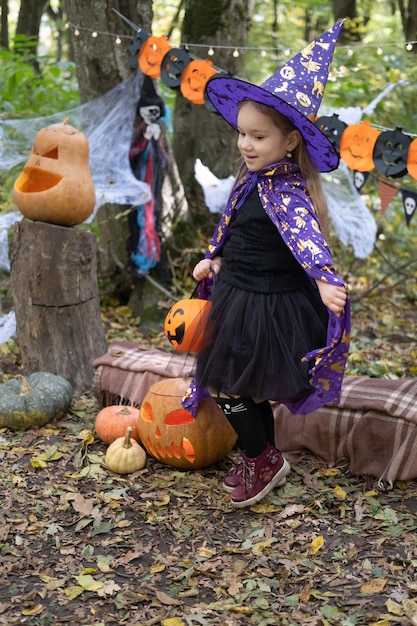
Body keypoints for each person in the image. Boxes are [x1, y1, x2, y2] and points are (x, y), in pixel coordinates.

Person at [182, 21, 351, 508]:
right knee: (246, 388)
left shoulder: (289, 189)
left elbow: (306, 236)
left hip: (267, 302)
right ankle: (266, 457)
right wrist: (212, 258)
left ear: (291, 141)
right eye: (242, 134)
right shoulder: (250, 178)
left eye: (258, 136)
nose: (246, 145)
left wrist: (322, 279)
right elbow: (233, 225)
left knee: (226, 385)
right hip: (237, 288)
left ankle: (261, 457)